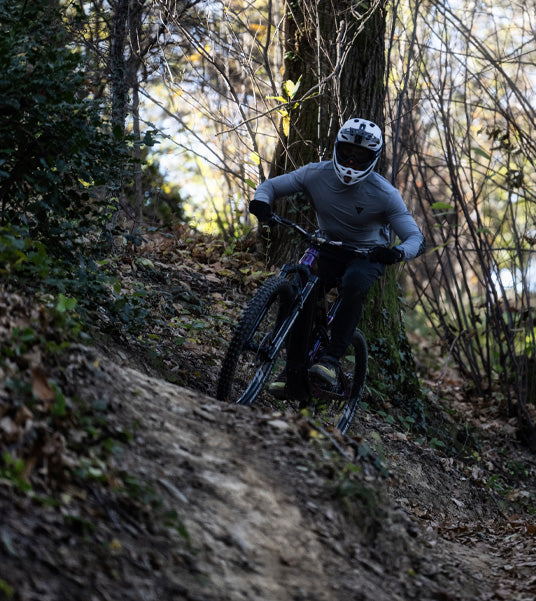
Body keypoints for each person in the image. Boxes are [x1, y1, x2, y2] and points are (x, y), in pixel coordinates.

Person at [249, 117, 425, 401]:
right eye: (347, 153)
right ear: (336, 148)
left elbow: (416, 238)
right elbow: (270, 187)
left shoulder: (385, 194)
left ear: (374, 158)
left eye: (361, 156)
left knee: (355, 282)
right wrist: (261, 202)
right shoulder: (316, 174)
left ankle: (330, 361)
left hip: (368, 254)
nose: (352, 162)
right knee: (301, 287)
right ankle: (292, 374)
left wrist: (396, 252)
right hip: (328, 245)